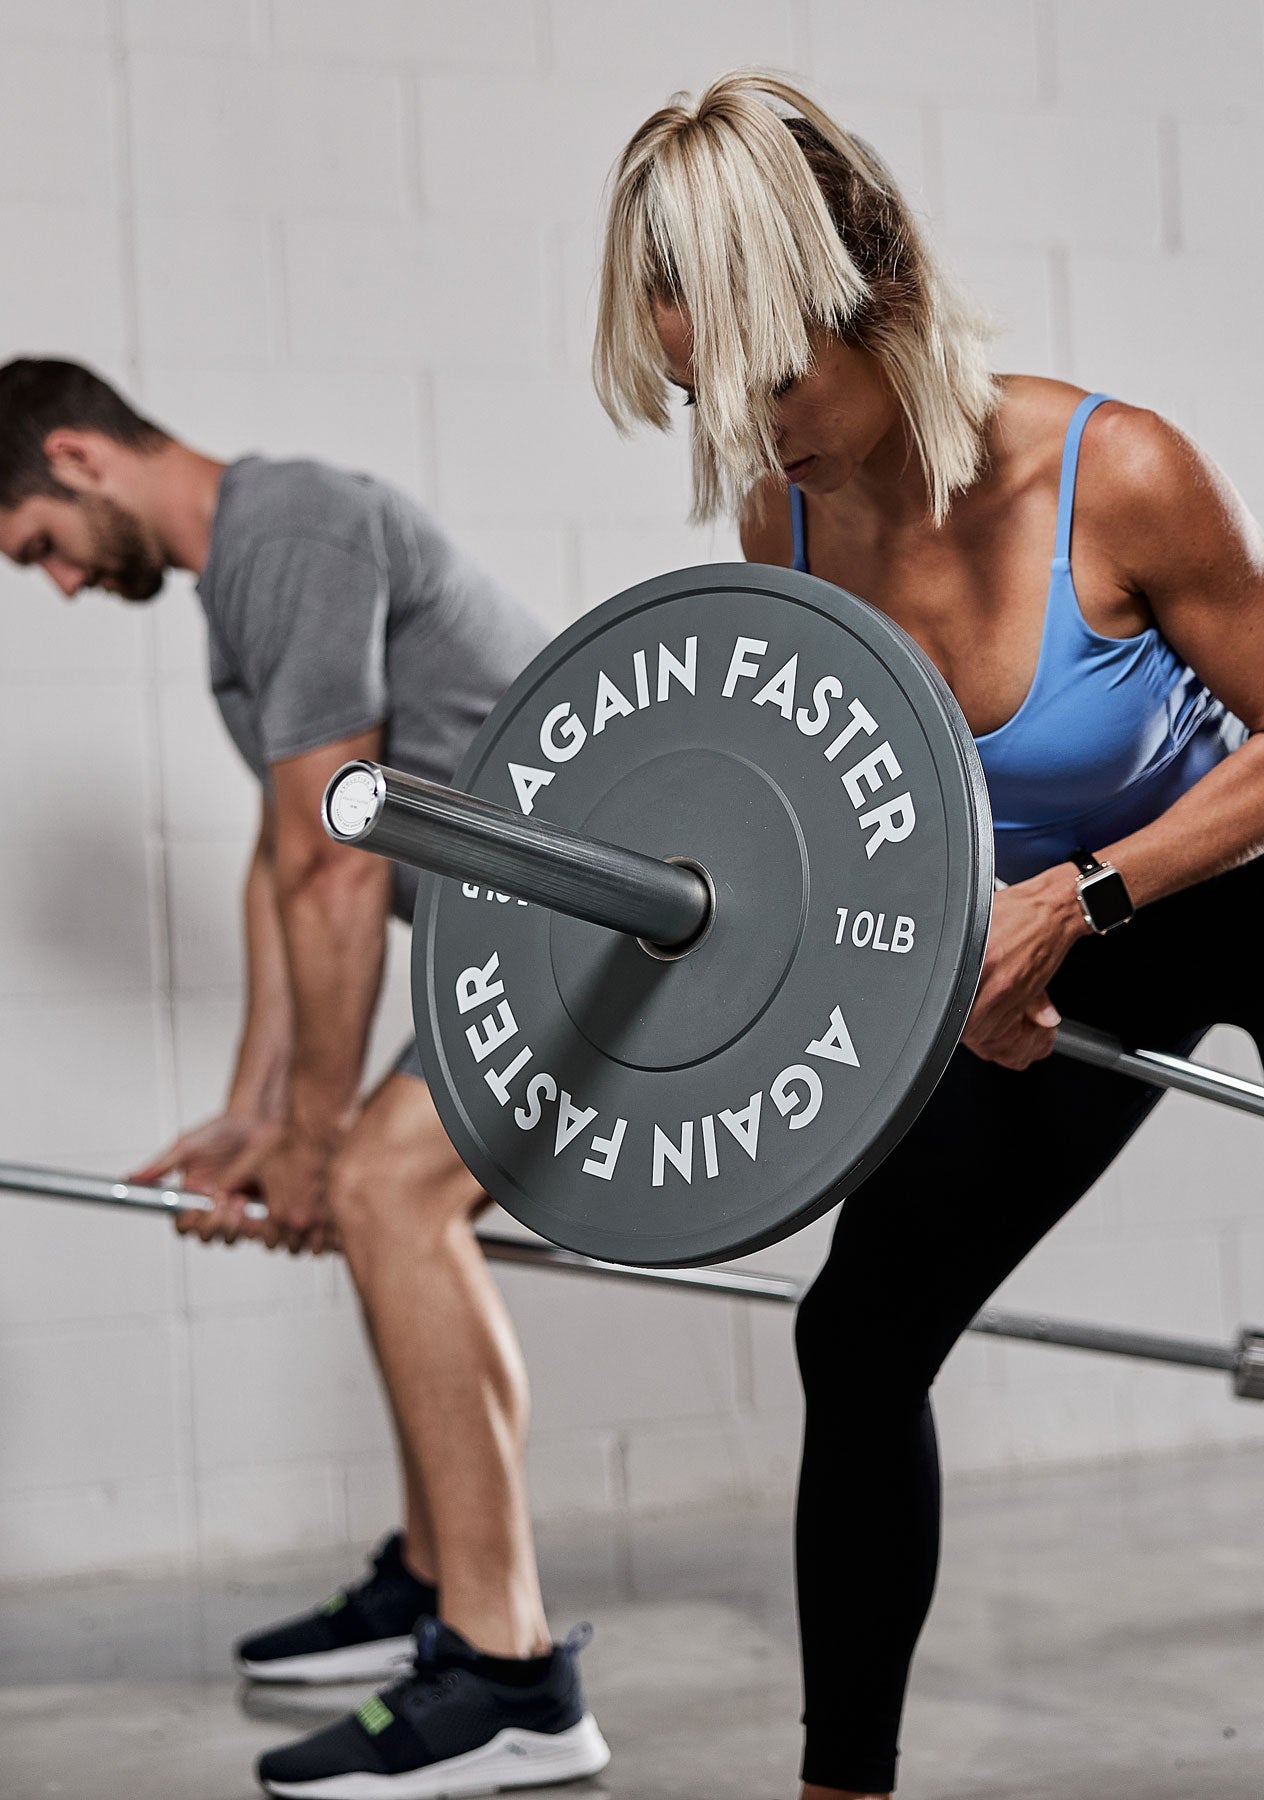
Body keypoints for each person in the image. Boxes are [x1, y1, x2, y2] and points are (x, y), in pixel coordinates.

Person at [593, 71, 1264, 1800]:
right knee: (860, 1331)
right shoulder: (791, 522)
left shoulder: (1115, 467)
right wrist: (950, 973)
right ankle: (845, 1786)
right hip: (1079, 917)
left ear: (873, 291)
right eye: (702, 394)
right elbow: (860, 805)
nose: (745, 435)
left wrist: (1079, 900)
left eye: (765, 380)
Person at [0, 359, 610, 1799]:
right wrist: (260, 1114)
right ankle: (434, 1575)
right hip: (514, 946)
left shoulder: (292, 530)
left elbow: (339, 858)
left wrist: (328, 1140)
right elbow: (284, 858)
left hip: (590, 929)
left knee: (392, 1198)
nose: (59, 585)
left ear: (80, 457)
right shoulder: (243, 591)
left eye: (36, 548)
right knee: (399, 1210)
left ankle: (512, 1674)